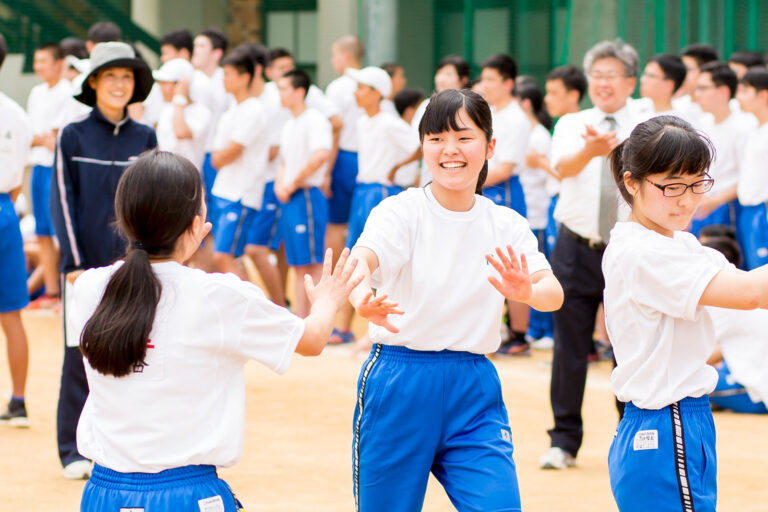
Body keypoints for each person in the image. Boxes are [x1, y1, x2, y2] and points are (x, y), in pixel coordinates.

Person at [72, 150, 361, 510]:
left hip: (104, 494)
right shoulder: (220, 297)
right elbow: (313, 340)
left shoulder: (88, 288)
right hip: (187, 494)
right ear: (196, 226)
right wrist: (328, 300)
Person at [347, 88, 563, 511]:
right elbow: (362, 260)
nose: (451, 151)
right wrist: (360, 298)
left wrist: (528, 292)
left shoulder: (507, 224)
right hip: (399, 381)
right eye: (436, 139)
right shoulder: (401, 212)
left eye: (464, 138)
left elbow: (552, 294)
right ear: (423, 146)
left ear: (490, 146)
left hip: (474, 386)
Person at [603, 114, 768, 511]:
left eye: (697, 184)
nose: (687, 199)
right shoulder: (645, 252)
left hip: (674, 421)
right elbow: (750, 294)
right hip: (665, 422)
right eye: (672, 186)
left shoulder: (677, 244)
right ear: (632, 182)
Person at [49, 41, 156, 480]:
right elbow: (61, 200)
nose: (118, 84)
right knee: (79, 354)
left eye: (127, 77)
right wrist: (74, 264)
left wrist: (152, 257)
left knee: (141, 354)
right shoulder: (72, 135)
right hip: (85, 267)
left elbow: (156, 197)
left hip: (135, 266)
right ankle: (72, 449)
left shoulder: (145, 137)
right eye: (110, 76)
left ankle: (131, 449)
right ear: (93, 82)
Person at [541, 39, 647, 470]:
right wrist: (589, 150)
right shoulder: (572, 122)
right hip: (575, 245)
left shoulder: (647, 122)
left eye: (611, 75)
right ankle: (563, 441)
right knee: (569, 346)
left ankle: (633, 435)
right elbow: (560, 168)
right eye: (596, 75)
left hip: (630, 249)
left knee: (632, 345)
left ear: (630, 81)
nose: (602, 83)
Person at [479, 54, 533, 354]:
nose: (484, 85)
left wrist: (468, 180)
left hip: (505, 192)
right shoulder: (491, 112)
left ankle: (519, 335)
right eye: (483, 78)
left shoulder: (515, 118)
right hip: (486, 189)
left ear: (508, 83)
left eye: (490, 80)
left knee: (512, 259)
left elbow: (505, 167)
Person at [275, 69, 333, 318]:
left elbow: (320, 155)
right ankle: (301, 320)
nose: (280, 94)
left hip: (307, 195)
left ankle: (315, 320)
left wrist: (293, 183)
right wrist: (281, 184)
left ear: (299, 92)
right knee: (299, 264)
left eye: (284, 89)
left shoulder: (315, 120)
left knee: (311, 263)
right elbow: (285, 161)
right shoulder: (289, 124)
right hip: (292, 197)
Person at [209, 50, 270, 281]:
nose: (225, 80)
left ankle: (258, 309)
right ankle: (253, 309)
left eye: (229, 75)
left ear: (245, 78)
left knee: (223, 257)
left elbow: (231, 151)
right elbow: (218, 156)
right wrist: (222, 156)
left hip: (241, 194)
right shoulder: (231, 111)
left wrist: (221, 156)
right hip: (224, 190)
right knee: (226, 259)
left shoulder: (254, 110)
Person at [698, 227, 768, 414]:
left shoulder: (722, 302)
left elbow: (702, 356)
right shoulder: (746, 287)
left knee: (686, 380)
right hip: (756, 382)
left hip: (756, 394)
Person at [0, 33, 32, 428]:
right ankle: (19, 401)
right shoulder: (17, 112)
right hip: (6, 207)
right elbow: (19, 178)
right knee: (11, 315)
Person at [26, 42, 70, 308]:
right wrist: (43, 139)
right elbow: (34, 137)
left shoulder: (67, 93)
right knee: (42, 230)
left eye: (44, 61)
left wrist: (44, 139)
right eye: (36, 61)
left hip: (57, 168)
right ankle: (51, 292)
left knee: (59, 232)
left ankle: (64, 292)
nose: (38, 66)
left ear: (58, 63)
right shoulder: (35, 93)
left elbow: (56, 139)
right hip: (38, 166)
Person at [690, 62, 756, 236]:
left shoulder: (744, 127)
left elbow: (750, 176)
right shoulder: (702, 124)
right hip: (700, 205)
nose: (697, 95)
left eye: (703, 88)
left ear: (723, 92)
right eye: (696, 88)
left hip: (728, 208)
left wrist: (716, 201)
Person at [516, 77, 555, 349]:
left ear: (525, 103)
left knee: (540, 271)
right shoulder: (526, 133)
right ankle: (534, 329)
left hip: (538, 213)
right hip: (527, 212)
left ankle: (546, 331)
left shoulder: (539, 134)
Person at [411, 55, 471, 186]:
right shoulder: (426, 106)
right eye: (439, 73)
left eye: (448, 74)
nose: (441, 79)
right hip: (429, 180)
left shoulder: (471, 107)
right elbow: (416, 144)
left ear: (463, 79)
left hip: (463, 179)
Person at [191, 27, 229, 235]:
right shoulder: (191, 79)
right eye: (195, 45)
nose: (195, 50)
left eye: (201, 46)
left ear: (217, 53)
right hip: (193, 155)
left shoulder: (227, 80)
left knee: (215, 219)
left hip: (218, 156)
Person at [735, 66, 768, 270]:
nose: (739, 97)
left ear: (763, 95)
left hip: (762, 212)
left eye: (745, 91)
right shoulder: (754, 130)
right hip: (747, 211)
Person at [154, 58, 210, 171]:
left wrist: (180, 97)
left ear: (181, 84)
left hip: (188, 178)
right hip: (164, 175)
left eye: (165, 83)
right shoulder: (167, 109)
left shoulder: (202, 112)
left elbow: (181, 132)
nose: (161, 88)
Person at [673, 43, 719, 124]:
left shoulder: (718, 109)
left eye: (687, 69)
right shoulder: (676, 105)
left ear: (705, 71)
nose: (681, 74)